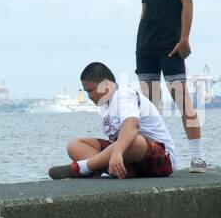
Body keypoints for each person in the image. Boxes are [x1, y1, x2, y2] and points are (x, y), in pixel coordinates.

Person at [134, 0, 206, 172]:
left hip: (171, 45)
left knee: (181, 100)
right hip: (146, 46)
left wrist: (184, 38)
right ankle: (156, 158)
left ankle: (197, 156)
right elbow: (145, 8)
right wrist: (141, 38)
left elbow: (187, 3)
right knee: (150, 108)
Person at [48, 62, 177, 179]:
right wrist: (115, 153)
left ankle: (82, 168)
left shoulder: (123, 94)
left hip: (161, 158)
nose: (90, 96)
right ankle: (119, 169)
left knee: (135, 141)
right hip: (129, 159)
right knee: (74, 145)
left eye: (91, 90)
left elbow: (132, 126)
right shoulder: (105, 106)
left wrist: (117, 152)